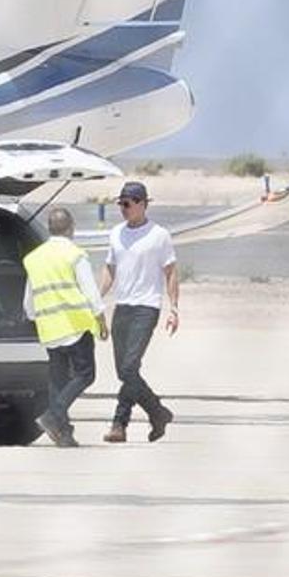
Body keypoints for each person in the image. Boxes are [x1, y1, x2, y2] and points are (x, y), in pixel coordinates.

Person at [24, 208, 108, 448]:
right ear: (71, 228)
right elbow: (89, 289)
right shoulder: (75, 254)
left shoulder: (34, 258)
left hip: (49, 328)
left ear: (50, 229)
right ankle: (53, 415)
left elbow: (29, 299)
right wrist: (100, 317)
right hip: (75, 325)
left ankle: (63, 434)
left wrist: (33, 317)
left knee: (57, 380)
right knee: (86, 374)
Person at [100, 181, 177, 444]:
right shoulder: (116, 234)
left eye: (128, 203)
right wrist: (97, 298)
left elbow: (171, 272)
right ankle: (158, 412)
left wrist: (174, 308)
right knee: (124, 371)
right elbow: (110, 269)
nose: (123, 208)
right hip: (122, 307)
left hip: (147, 307)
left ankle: (120, 423)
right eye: (121, 203)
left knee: (130, 366)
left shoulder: (159, 235)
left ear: (143, 204)